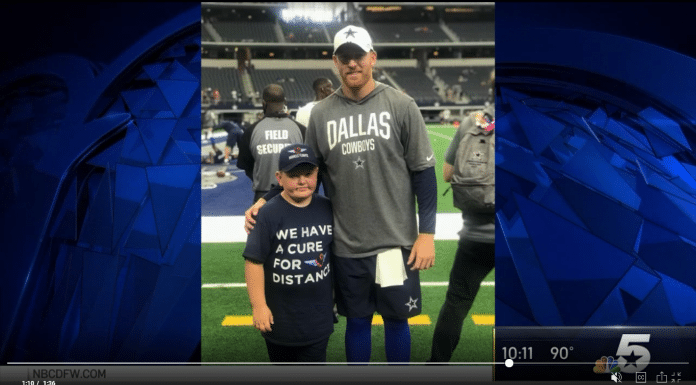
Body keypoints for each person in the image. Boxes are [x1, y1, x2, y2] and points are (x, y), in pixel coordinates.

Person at [245, 25, 437, 363]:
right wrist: (266, 199)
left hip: (395, 242)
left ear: (372, 58)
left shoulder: (401, 105)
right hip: (347, 246)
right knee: (357, 323)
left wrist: (427, 233)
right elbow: (307, 171)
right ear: (335, 62)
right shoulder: (321, 115)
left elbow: (423, 171)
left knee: (396, 322)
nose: (353, 64)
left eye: (359, 56)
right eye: (345, 58)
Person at [243, 143, 334, 363]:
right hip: (280, 320)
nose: (302, 181)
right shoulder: (268, 213)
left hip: (318, 319)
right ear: (279, 177)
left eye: (308, 174)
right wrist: (259, 306)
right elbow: (253, 261)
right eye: (294, 175)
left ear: (317, 174)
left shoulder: (328, 208)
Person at [429, 70, 495, 362]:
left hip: (476, 235)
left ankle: (437, 365)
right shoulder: (537, 124)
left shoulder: (474, 121)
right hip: (521, 239)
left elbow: (446, 173)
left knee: (456, 303)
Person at [237, 84, 306, 202]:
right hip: (294, 195)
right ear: (284, 102)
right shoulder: (301, 129)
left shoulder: (251, 131)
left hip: (263, 196)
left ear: (263, 103)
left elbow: (246, 165)